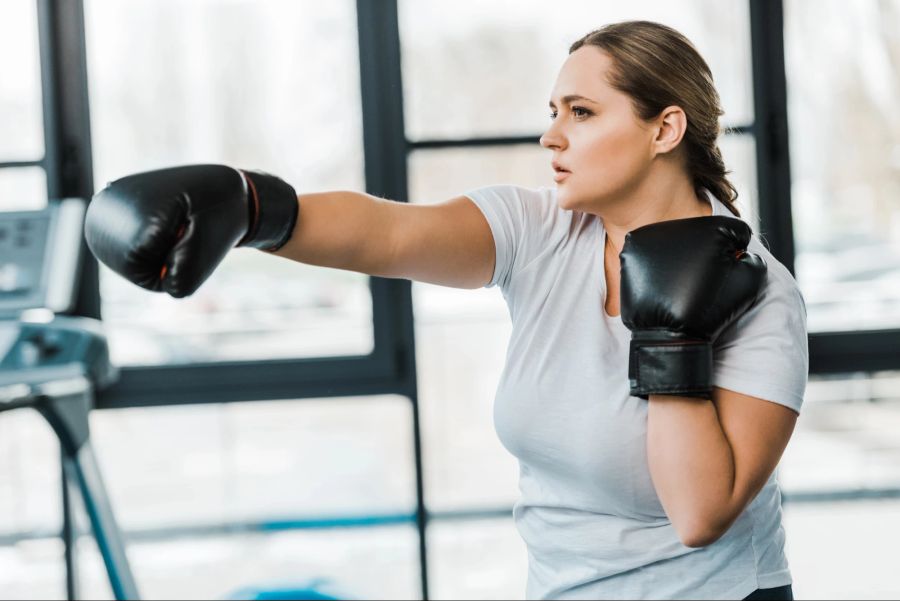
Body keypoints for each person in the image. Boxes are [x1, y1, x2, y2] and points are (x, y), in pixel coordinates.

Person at [84, 20, 807, 601]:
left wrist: (671, 334)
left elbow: (698, 513)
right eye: (552, 112)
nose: (551, 136)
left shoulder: (761, 295)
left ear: (665, 129)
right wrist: (251, 207)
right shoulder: (544, 229)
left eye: (581, 113)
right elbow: (390, 231)